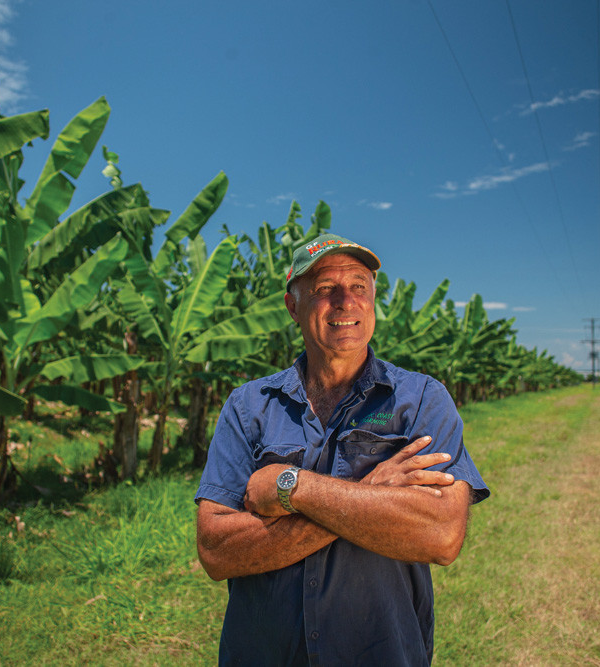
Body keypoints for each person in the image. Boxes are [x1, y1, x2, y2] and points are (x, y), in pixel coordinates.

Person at [194, 233, 490, 666]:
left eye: (359, 287)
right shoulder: (249, 406)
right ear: (293, 306)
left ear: (372, 300)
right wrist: (374, 490)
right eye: (324, 289)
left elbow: (440, 534)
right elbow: (217, 550)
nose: (345, 301)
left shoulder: (422, 399)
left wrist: (291, 487)